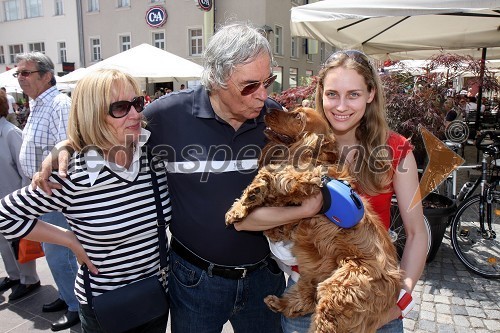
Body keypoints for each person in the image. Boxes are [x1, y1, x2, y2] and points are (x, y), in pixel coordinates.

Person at [36, 22, 287, 333]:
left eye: (269, 81)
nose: (263, 94)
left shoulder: (274, 117)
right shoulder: (165, 116)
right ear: (217, 79)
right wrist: (66, 146)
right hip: (195, 280)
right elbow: (108, 131)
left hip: (265, 277)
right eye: (250, 85)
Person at [235, 50, 428, 333]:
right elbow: (244, 220)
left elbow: (416, 233)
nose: (341, 106)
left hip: (371, 302)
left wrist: (401, 302)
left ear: (371, 94)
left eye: (353, 94)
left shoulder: (396, 150)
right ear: (321, 95)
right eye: (332, 94)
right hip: (306, 302)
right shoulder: (296, 149)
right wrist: (305, 209)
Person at [0, 69, 171, 333]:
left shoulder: (154, 156)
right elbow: (5, 216)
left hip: (156, 297)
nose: (137, 113)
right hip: (106, 306)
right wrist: (68, 239)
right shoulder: (73, 173)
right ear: (93, 115)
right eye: (120, 108)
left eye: (137, 103)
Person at [14, 52, 80, 331]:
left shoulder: (58, 104)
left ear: (46, 75)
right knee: (50, 249)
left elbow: (66, 148)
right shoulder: (38, 103)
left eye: (26, 73)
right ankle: (66, 297)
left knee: (59, 251)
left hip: (53, 190)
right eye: (18, 73)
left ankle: (77, 306)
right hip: (40, 190)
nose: (20, 78)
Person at [0, 88, 41, 301]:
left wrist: (26, 203)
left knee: (18, 241)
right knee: (3, 243)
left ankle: (29, 279)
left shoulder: (10, 133)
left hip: (14, 199)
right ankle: (13, 275)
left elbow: (25, 168)